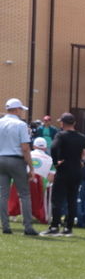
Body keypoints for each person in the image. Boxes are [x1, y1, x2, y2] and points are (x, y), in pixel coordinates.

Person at [40, 112, 85, 236]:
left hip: (63, 169)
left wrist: (55, 162)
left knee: (57, 199)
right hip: (77, 170)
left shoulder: (61, 135)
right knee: (72, 199)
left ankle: (55, 226)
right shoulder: (81, 137)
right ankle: (68, 228)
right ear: (74, 123)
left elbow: (54, 148)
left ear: (62, 123)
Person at [0, 98, 37, 236]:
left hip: (1, 158)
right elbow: (25, 148)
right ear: (16, 109)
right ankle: (27, 227)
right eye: (20, 109)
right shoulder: (20, 125)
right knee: (24, 194)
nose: (21, 112)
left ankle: (5, 225)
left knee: (3, 195)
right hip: (16, 160)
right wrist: (31, 167)